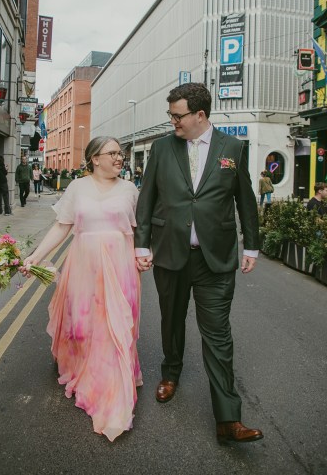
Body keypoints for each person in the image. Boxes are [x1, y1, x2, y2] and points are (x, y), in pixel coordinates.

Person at [134, 82, 263, 444]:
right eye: (171, 115)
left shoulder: (233, 147)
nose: (172, 121)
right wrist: (141, 245)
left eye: (178, 115)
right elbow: (147, 200)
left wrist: (250, 247)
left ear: (200, 115)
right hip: (171, 254)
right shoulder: (161, 148)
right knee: (172, 321)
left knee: (218, 335)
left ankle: (228, 419)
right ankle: (170, 372)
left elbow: (245, 201)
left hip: (215, 259)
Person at [19, 136, 143, 441]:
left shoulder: (130, 189)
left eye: (121, 153)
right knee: (86, 326)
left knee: (115, 327)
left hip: (120, 268)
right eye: (112, 153)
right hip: (83, 268)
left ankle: (112, 393)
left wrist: (144, 253)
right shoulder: (76, 188)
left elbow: (141, 229)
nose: (119, 158)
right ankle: (86, 369)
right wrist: (36, 256)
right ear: (94, 158)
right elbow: (62, 226)